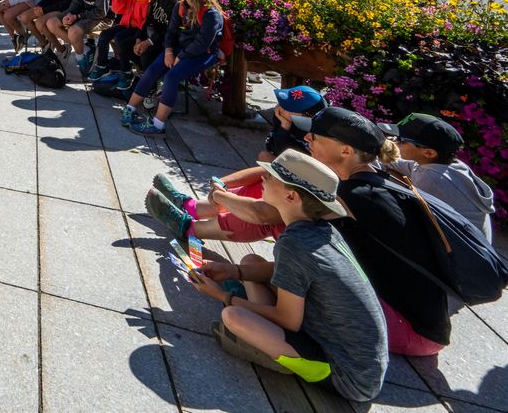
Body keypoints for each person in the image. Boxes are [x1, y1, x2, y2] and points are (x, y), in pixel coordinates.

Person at [190, 150, 388, 404]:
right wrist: (235, 272)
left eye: (271, 177)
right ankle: (263, 333)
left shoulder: (295, 243)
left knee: (233, 316)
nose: (264, 178)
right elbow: (284, 271)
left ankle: (275, 356)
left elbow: (288, 320)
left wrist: (221, 295)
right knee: (249, 262)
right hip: (351, 351)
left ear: (291, 196)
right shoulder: (320, 229)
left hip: (347, 376)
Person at [293, 107, 454, 356]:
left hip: (410, 329)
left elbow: (275, 214)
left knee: (296, 232)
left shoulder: (356, 197)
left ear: (346, 151)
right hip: (426, 326)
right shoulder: (376, 181)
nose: (306, 139)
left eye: (314, 136)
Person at [148, 86, 326, 244]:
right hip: (294, 218)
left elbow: (261, 213)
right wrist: (222, 182)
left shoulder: (315, 158)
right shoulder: (308, 142)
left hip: (299, 240)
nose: (278, 108)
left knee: (270, 211)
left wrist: (221, 196)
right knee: (269, 180)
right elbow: (269, 167)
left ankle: (189, 228)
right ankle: (191, 207)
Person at [121, 0, 223, 135]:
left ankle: (158, 125)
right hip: (179, 50)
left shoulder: (211, 13)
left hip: (202, 54)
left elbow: (202, 43)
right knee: (152, 70)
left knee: (171, 77)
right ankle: (130, 109)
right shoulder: (180, 6)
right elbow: (171, 32)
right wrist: (168, 52)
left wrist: (180, 57)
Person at [379, 113, 495, 241]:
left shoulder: (433, 178)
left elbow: (405, 214)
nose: (394, 142)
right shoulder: (441, 164)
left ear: (428, 153)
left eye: (401, 140)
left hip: (462, 254)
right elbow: (398, 163)